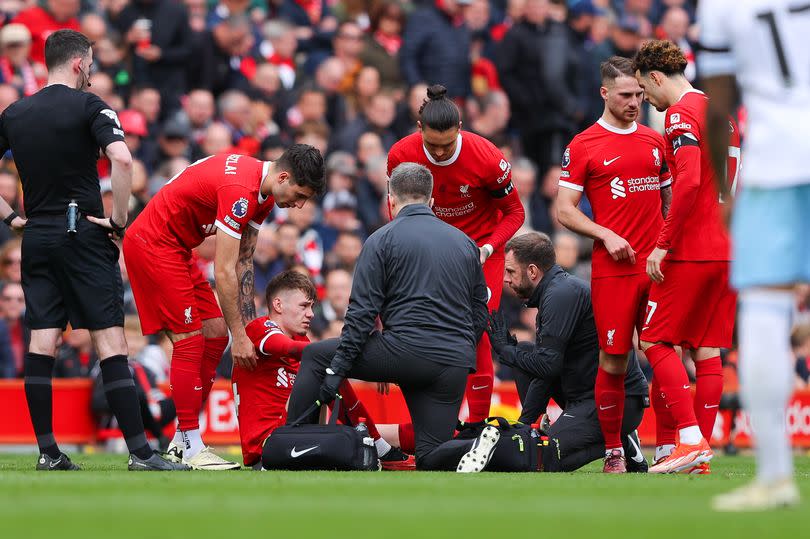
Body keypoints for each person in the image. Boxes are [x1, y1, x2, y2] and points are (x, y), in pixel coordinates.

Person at [0, 29, 184, 471]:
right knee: (110, 339)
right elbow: (122, 159)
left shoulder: (16, 112)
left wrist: (10, 218)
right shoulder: (91, 105)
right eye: (93, 64)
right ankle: (141, 453)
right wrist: (118, 219)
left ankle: (48, 452)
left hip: (37, 235)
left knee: (42, 340)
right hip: (80, 231)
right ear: (80, 63)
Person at [122, 144, 325, 470]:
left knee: (215, 334)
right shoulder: (241, 192)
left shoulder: (265, 194)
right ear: (284, 176)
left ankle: (180, 441)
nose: (299, 205)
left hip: (177, 248)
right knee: (189, 340)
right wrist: (241, 337)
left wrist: (248, 330)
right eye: (300, 194)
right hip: (154, 244)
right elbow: (224, 269)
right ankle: (189, 442)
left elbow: (246, 261)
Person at [286, 163, 497, 472]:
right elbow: (481, 309)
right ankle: (482, 443)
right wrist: (461, 345)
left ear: (391, 200)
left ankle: (290, 448)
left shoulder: (381, 240)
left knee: (317, 356)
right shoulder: (465, 244)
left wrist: (337, 369)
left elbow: (361, 314)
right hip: (452, 360)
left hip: (404, 351)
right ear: (432, 202)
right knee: (430, 456)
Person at [699, 0, 806, 510]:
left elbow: (717, 107)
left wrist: (725, 190)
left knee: (764, 315)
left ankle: (775, 476)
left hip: (775, 161)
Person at [556, 56, 672, 472]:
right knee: (614, 360)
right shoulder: (584, 144)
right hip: (614, 271)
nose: (635, 102)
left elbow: (669, 199)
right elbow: (564, 209)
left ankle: (670, 448)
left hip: (656, 268)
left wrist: (668, 241)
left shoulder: (654, 141)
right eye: (626, 95)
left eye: (640, 94)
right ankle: (613, 451)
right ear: (604, 93)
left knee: (663, 353)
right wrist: (605, 234)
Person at [387, 84, 525, 430]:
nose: (440, 151)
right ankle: (434, 425)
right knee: (425, 330)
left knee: (476, 333)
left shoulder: (487, 157)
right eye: (432, 145)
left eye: (447, 144)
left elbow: (514, 213)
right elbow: (397, 211)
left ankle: (477, 428)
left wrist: (490, 247)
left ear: (460, 128)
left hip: (481, 252)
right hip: (430, 251)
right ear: (419, 130)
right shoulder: (401, 155)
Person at [632, 40, 739, 474]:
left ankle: (689, 439)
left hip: (693, 247)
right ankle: (700, 457)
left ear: (656, 77)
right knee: (707, 350)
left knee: (655, 339)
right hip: (729, 247)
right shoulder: (723, 113)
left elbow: (690, 181)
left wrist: (663, 241)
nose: (647, 102)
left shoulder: (680, 115)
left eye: (644, 90)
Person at [487, 231, 649, 472]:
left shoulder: (560, 295)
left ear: (532, 271)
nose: (506, 279)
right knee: (524, 352)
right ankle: (541, 431)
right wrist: (526, 424)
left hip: (619, 400)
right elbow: (545, 371)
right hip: (584, 396)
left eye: (510, 271)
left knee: (545, 459)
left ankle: (622, 441)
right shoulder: (553, 292)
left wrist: (505, 352)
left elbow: (548, 366)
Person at [233, 270, 413, 470]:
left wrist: (371, 364)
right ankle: (380, 448)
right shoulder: (261, 328)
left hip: (299, 434)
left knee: (336, 380)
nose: (310, 313)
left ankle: (386, 445)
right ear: (278, 305)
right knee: (354, 441)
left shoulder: (303, 340)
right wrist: (370, 358)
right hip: (269, 446)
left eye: (311, 306)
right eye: (303, 306)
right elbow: (289, 349)